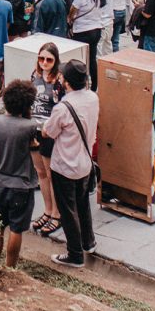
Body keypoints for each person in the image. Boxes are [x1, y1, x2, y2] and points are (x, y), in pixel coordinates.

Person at [43, 60, 99, 268]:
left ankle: (75, 253)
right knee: (83, 204)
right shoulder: (93, 98)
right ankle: (88, 241)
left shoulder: (63, 107)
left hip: (64, 165)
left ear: (65, 82)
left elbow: (49, 132)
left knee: (67, 210)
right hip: (85, 162)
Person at [0, 79, 40, 268]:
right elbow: (32, 146)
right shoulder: (29, 126)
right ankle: (10, 266)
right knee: (16, 229)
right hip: (22, 184)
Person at [30, 42, 65, 237]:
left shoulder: (59, 80)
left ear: (55, 60)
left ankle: (56, 214)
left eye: (49, 59)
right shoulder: (34, 75)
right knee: (40, 172)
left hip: (49, 131)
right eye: (41, 58)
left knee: (51, 175)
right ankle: (47, 209)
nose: (44, 63)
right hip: (34, 128)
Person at [68, 0, 105, 86]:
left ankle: (79, 83)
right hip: (96, 29)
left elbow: (72, 11)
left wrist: (70, 19)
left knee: (79, 59)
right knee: (92, 58)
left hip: (82, 30)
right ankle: (94, 85)